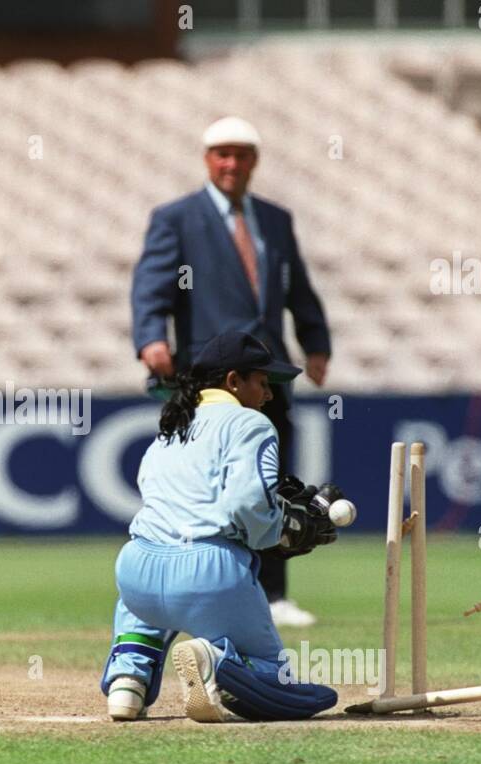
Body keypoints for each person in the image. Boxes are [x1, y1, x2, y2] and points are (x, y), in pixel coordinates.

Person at [131, 115, 332, 628]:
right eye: (222, 154)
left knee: (273, 479)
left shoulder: (275, 219)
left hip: (269, 370)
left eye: (241, 155)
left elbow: (296, 287)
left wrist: (315, 340)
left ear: (254, 162)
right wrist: (151, 336)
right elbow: (152, 283)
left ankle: (274, 591)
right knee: (215, 479)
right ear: (206, 159)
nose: (231, 164)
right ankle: (201, 580)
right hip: (212, 374)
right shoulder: (176, 218)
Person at [99, 330, 342, 723]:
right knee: (277, 681)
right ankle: (215, 659)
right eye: (262, 383)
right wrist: (282, 529)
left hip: (136, 571)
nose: (268, 395)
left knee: (142, 604)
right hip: (208, 575)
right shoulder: (251, 423)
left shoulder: (171, 426)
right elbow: (246, 502)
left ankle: (129, 679)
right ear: (233, 381)